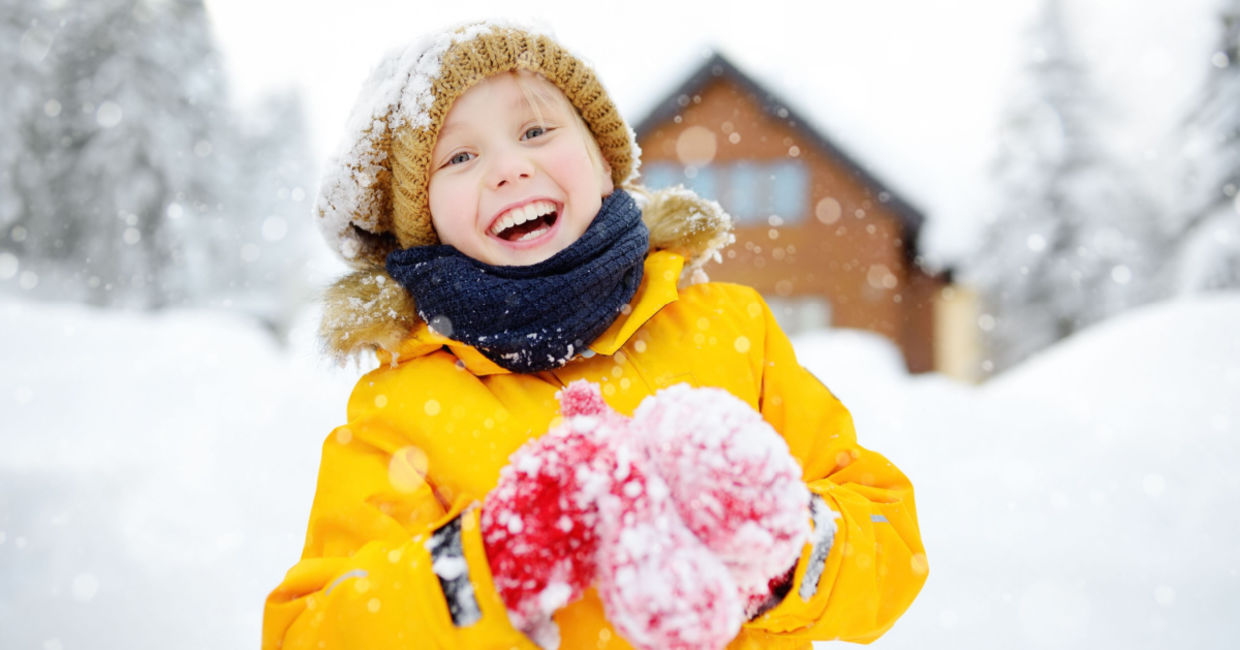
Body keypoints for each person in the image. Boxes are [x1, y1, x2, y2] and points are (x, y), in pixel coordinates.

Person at [264, 20, 926, 650]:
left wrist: (778, 546)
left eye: (535, 130)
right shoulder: (402, 413)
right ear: (424, 222)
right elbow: (311, 631)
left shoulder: (731, 330)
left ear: (604, 162)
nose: (509, 168)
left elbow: (890, 548)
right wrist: (488, 562)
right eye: (460, 156)